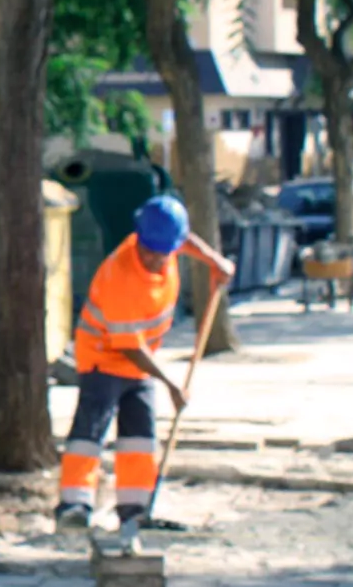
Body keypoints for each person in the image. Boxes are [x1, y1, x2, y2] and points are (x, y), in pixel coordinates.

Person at [56, 195, 235, 534]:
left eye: (162, 252)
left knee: (139, 439)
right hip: (104, 358)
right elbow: (129, 347)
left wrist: (214, 261)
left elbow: (185, 240)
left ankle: (135, 511)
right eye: (150, 251)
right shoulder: (121, 275)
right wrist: (172, 386)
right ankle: (74, 507)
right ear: (139, 238)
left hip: (139, 364)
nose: (155, 258)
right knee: (89, 436)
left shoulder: (165, 240)